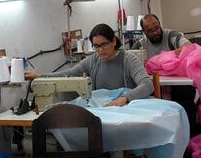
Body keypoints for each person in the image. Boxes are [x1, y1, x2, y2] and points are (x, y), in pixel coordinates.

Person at [25, 23, 153, 107]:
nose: (100, 50)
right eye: (96, 46)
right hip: (103, 110)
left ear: (114, 41)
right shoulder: (92, 60)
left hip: (125, 109)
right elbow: (68, 74)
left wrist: (123, 99)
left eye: (104, 44)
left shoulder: (129, 60)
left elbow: (147, 85)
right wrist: (41, 76)